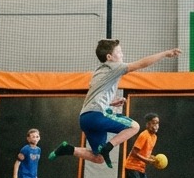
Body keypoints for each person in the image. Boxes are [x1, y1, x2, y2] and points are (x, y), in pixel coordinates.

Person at [47, 39, 180, 166]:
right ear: (109, 57)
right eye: (119, 52)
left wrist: (110, 103)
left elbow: (93, 97)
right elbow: (140, 64)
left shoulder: (98, 72)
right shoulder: (114, 67)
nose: (122, 54)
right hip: (97, 115)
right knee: (134, 127)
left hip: (85, 118)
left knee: (98, 158)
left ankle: (68, 149)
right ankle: (108, 147)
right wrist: (165, 53)